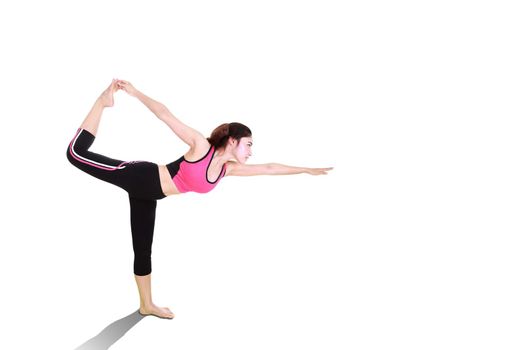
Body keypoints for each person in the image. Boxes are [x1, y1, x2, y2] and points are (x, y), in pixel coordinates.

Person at [67, 79, 333, 319]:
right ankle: (102, 102)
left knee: (143, 249)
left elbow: (269, 168)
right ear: (232, 141)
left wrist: (305, 169)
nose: (251, 151)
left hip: (150, 195)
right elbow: (164, 114)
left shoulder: (226, 170)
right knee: (75, 153)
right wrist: (135, 93)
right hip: (139, 176)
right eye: (248, 144)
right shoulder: (200, 146)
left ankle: (147, 305)